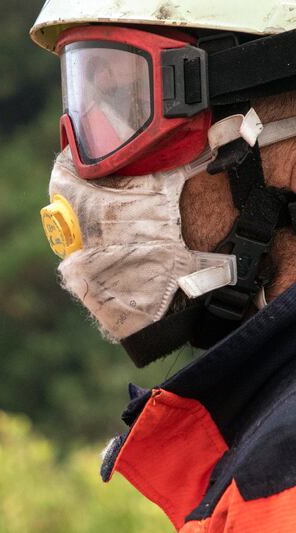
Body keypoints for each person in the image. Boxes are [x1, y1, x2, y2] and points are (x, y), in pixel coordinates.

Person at [31, 2, 296, 531]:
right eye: (91, 105)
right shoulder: (261, 444)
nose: (76, 177)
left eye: (130, 105)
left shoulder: (280, 485)